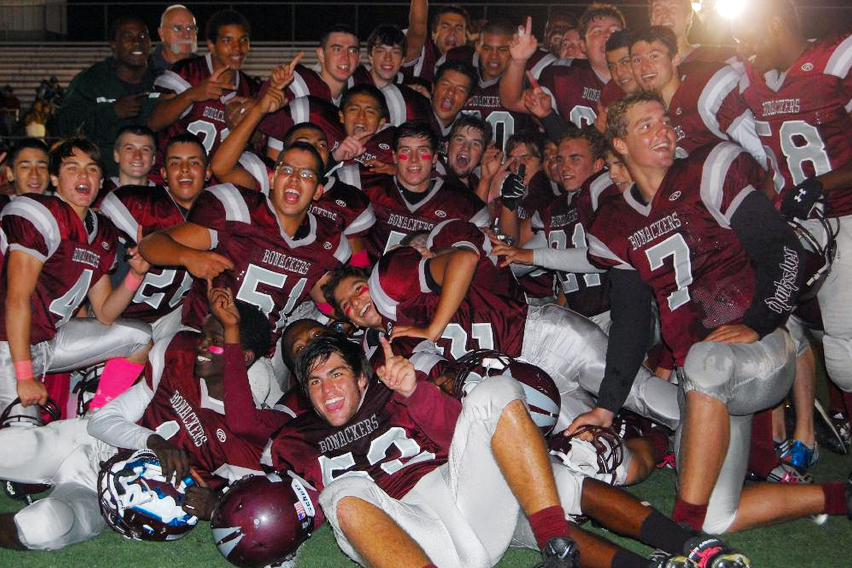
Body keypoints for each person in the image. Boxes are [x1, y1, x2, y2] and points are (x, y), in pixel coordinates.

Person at [580, 90, 852, 534]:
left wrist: (759, 320)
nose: (662, 131)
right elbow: (631, 324)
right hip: (705, 382)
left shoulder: (707, 173)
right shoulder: (614, 223)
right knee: (716, 518)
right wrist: (607, 408)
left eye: (664, 120)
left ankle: (680, 540)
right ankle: (842, 497)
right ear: (620, 145)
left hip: (759, 353)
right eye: (645, 125)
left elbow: (783, 249)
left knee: (705, 362)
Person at [0, 287, 281, 551]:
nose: (201, 345)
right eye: (203, 334)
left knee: (43, 526)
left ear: (242, 357)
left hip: (104, 496)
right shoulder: (178, 355)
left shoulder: (245, 434)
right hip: (85, 443)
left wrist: (217, 505)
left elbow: (253, 513)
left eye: (216, 341)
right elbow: (102, 421)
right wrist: (152, 441)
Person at [733, 0, 852, 467]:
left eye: (750, 36)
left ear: (777, 25)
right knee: (782, 317)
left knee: (843, 358)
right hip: (800, 224)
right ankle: (794, 429)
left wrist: (823, 183)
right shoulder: (757, 84)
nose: (744, 49)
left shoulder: (836, 60)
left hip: (845, 214)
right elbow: (777, 164)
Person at [0, 138, 152, 415]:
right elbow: (16, 299)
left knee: (140, 336)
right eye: (72, 168)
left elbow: (105, 313)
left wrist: (135, 275)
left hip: (51, 339)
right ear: (55, 178)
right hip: (8, 345)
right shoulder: (40, 213)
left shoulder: (102, 229)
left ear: (102, 180)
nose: (83, 176)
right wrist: (23, 375)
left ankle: (99, 415)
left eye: (92, 169)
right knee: (22, 437)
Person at [99, 133, 211, 343]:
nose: (185, 169)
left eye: (193, 162)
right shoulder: (135, 204)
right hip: (120, 315)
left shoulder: (218, 214)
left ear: (208, 172)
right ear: (164, 173)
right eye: (176, 163)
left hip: (171, 318)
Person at [148, 9, 259, 179]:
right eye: (227, 40)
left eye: (243, 40)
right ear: (211, 45)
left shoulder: (250, 89)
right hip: (170, 182)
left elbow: (259, 141)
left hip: (214, 186)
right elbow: (154, 123)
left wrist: (246, 124)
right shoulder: (187, 72)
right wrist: (191, 95)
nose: (237, 48)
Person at [358, 120, 490, 261]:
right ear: (394, 157)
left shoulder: (464, 205)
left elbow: (477, 258)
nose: (414, 160)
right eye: (406, 151)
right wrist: (361, 268)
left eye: (422, 151)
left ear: (434, 158)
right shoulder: (367, 185)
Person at [628, 26, 765, 161]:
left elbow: (759, 149)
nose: (644, 67)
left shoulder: (706, 88)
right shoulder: (645, 113)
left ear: (676, 58)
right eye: (637, 60)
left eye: (653, 56)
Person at [59, 17, 159, 177]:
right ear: (113, 44)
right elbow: (66, 125)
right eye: (128, 37)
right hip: (102, 182)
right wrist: (111, 112)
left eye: (142, 36)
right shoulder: (90, 80)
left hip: (153, 182)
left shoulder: (162, 80)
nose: (137, 42)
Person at [500, 7, 626, 129]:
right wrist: (518, 61)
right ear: (583, 45)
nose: (607, 36)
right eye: (597, 31)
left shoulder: (639, 73)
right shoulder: (563, 75)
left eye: (614, 31)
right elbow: (512, 101)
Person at [352, 24, 433, 126]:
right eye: (381, 51)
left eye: (395, 52)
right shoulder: (354, 80)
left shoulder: (413, 89)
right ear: (370, 56)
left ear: (402, 60)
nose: (388, 58)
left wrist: (428, 104)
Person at [286, 24, 360, 105]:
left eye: (352, 51)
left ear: (358, 59)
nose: (346, 57)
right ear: (321, 54)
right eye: (337, 49)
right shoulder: (300, 85)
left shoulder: (357, 94)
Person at [403, 0, 470, 84]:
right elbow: (418, 29)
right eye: (445, 26)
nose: (452, 32)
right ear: (433, 33)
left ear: (466, 36)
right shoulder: (424, 52)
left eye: (459, 28)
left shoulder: (474, 61)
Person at [151, 4, 198, 76]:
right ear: (161, 34)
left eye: (190, 28)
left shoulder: (205, 69)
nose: (186, 35)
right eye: (178, 29)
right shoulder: (142, 70)